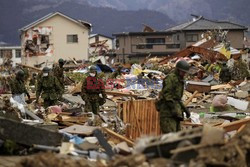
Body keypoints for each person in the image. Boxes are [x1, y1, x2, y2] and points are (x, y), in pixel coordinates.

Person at [155, 60, 191, 134]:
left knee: (177, 137)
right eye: (182, 72)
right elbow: (167, 95)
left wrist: (184, 109)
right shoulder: (170, 78)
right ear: (178, 70)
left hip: (176, 113)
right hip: (167, 113)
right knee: (170, 138)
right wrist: (173, 108)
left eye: (185, 72)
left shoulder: (180, 80)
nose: (184, 74)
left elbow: (177, 98)